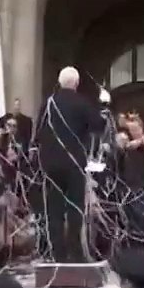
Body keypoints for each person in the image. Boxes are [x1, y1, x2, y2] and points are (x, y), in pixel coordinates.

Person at [35, 66, 105, 262]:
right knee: (75, 209)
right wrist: (103, 110)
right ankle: (76, 253)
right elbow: (98, 125)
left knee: (54, 210)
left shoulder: (48, 104)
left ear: (59, 81)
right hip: (74, 164)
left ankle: (57, 254)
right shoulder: (82, 103)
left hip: (51, 165)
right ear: (76, 83)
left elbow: (38, 133)